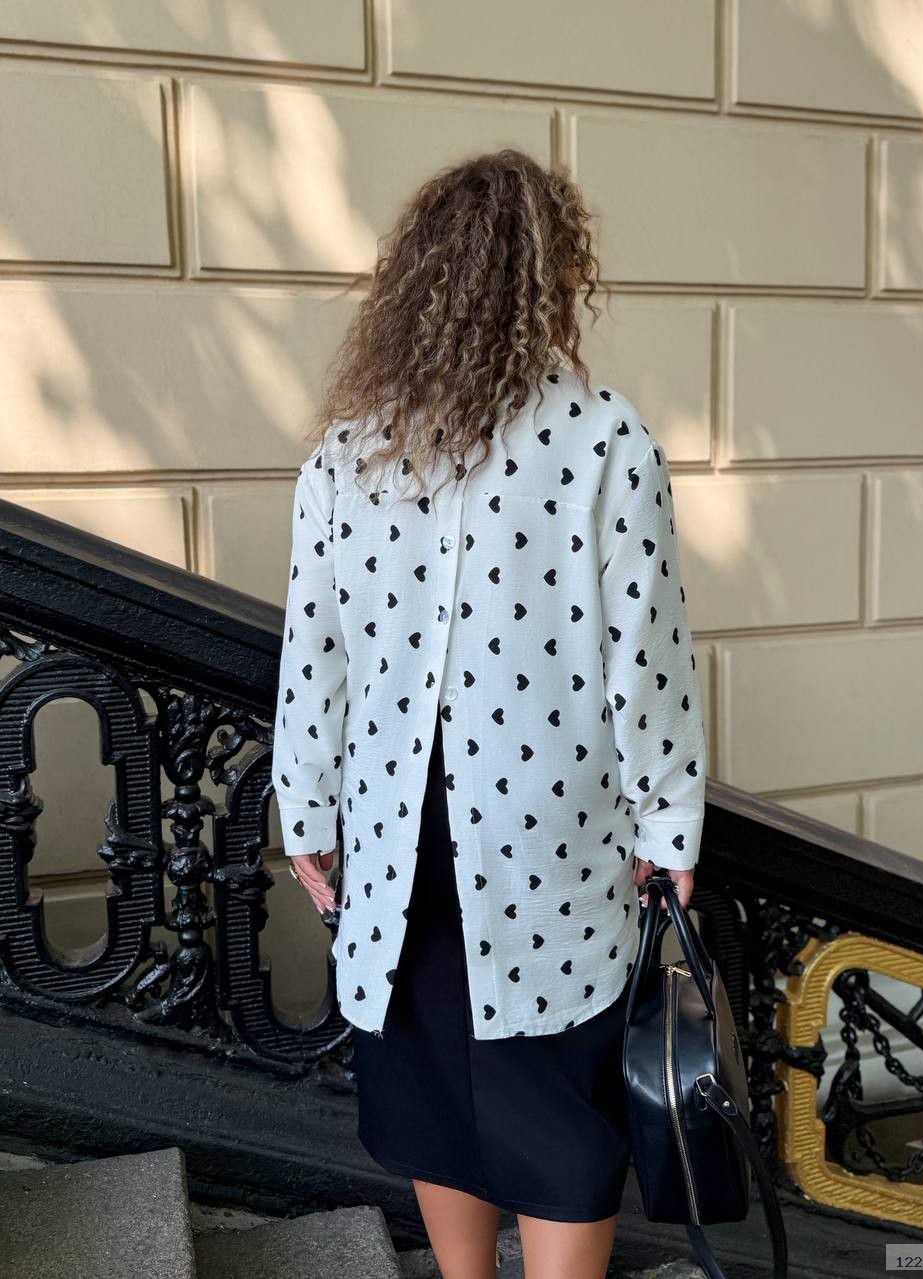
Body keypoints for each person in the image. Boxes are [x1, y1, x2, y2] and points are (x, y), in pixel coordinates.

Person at [272, 147, 706, 1279]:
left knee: (436, 1100)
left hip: (398, 840)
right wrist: (669, 827)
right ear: (555, 280)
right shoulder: (605, 440)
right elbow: (646, 660)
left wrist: (305, 808)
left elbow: (314, 653)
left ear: (415, 279)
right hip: (548, 845)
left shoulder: (350, 452)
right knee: (560, 1117)